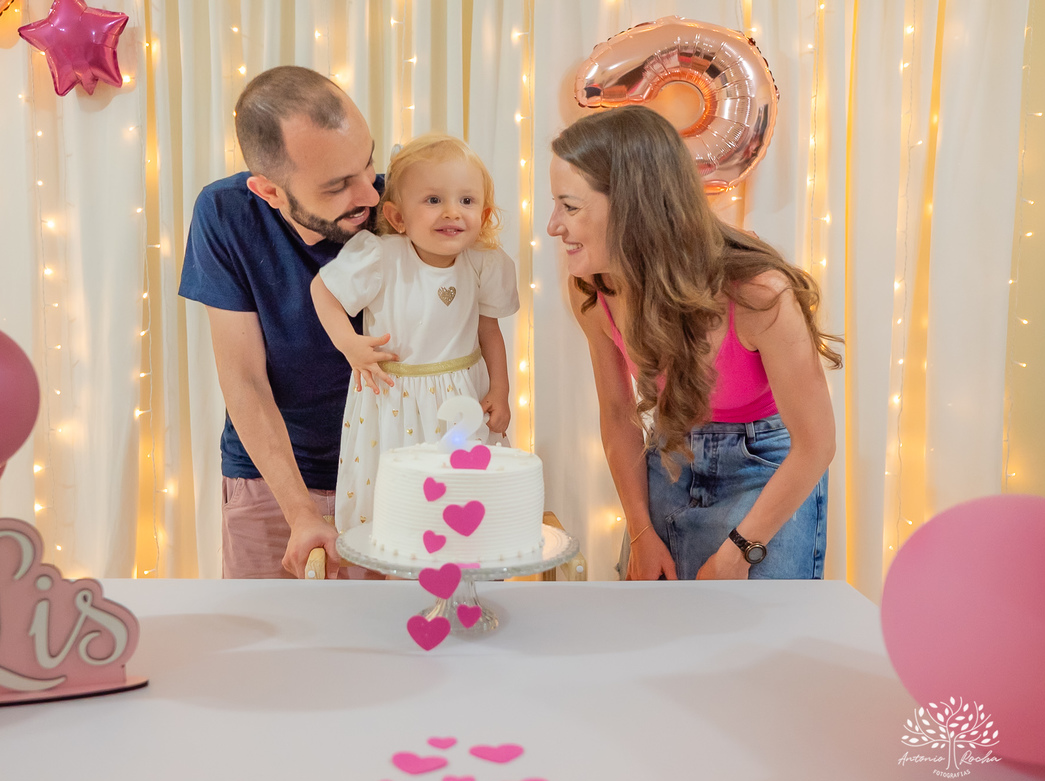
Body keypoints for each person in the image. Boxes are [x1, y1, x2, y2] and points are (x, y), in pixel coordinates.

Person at [546, 106, 842, 581]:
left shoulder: (758, 295)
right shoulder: (592, 291)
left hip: (767, 472)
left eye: (570, 206)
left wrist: (740, 553)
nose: (553, 226)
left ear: (631, 206)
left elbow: (816, 443)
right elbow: (618, 416)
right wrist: (640, 530)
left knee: (753, 644)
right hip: (671, 460)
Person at [178, 65, 385, 579]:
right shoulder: (225, 214)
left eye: (368, 165)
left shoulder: (400, 197)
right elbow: (243, 377)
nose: (371, 196)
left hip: (389, 474)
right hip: (269, 478)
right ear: (269, 191)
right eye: (338, 186)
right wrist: (301, 513)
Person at [311, 134, 519, 534]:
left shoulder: (482, 264)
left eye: (467, 201)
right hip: (394, 398)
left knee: (462, 499)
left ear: (485, 214)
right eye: (433, 200)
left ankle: (460, 577)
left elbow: (489, 330)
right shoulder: (380, 257)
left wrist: (501, 389)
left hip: (461, 397)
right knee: (402, 511)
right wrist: (348, 344)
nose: (452, 213)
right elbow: (324, 291)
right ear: (398, 217)